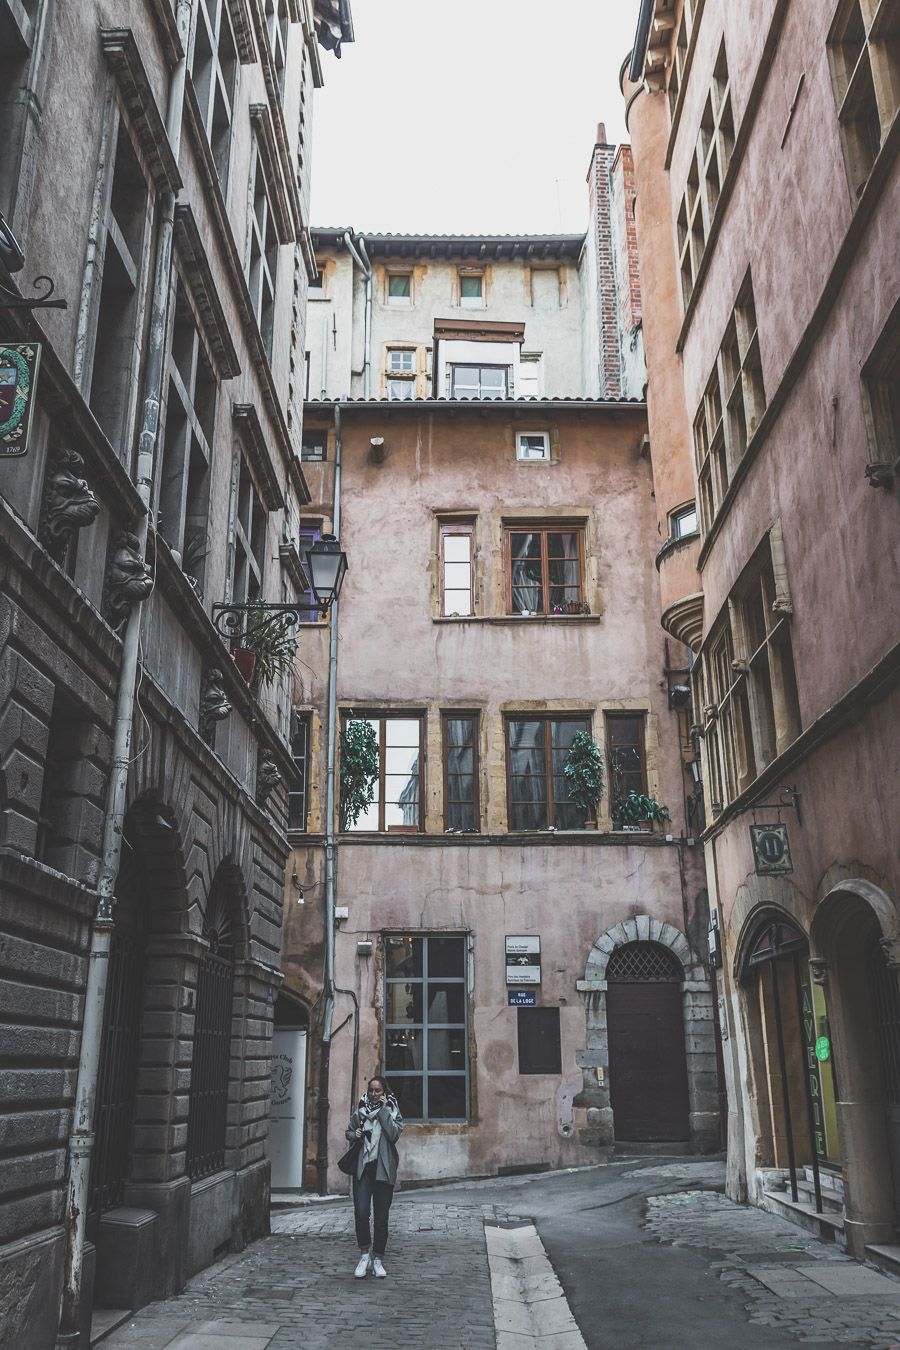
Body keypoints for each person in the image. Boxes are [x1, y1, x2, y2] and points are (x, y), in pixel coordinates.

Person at [346, 1075, 403, 1278]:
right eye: (371, 1090)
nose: (373, 1094)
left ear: (384, 1093)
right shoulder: (360, 1110)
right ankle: (364, 1256)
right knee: (361, 1213)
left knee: (381, 1218)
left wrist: (383, 1112)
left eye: (377, 1091)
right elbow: (349, 1132)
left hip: (383, 1170)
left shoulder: (392, 1110)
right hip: (363, 1169)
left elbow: (394, 1135)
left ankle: (378, 1258)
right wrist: (356, 1135)